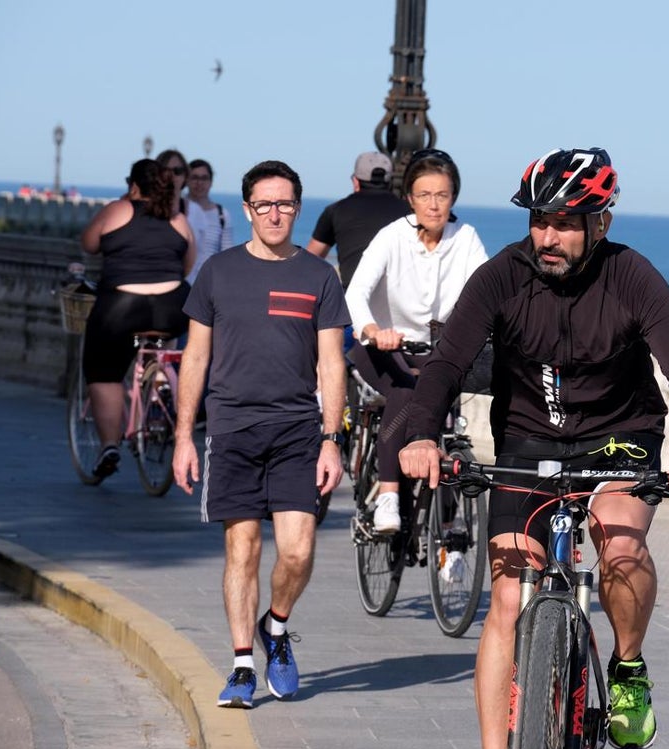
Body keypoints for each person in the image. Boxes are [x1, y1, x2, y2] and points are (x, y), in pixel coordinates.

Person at [398, 147, 669, 749]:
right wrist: (420, 434)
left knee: (620, 546)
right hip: (528, 440)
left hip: (619, 435)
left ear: (600, 223)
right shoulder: (502, 277)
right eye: (539, 221)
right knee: (504, 595)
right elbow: (447, 361)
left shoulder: (633, 277)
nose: (547, 236)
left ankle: (630, 668)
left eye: (564, 223)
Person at [171, 160, 348, 709]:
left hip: (298, 430)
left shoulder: (319, 276)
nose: (275, 214)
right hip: (232, 430)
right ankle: (243, 665)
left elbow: (331, 365)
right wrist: (183, 436)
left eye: (286, 204)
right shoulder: (217, 273)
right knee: (242, 548)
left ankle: (277, 626)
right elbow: (195, 356)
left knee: (296, 551)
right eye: (264, 204)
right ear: (247, 209)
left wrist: (331, 438)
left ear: (299, 208)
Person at [345, 148, 487, 533]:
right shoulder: (392, 237)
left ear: (453, 197)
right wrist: (374, 331)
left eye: (442, 195)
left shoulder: (467, 239)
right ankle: (389, 493)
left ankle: (449, 531)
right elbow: (356, 293)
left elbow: (487, 295)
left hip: (439, 355)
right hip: (384, 350)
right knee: (408, 393)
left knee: (446, 423)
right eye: (424, 195)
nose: (434, 205)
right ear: (409, 197)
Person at [79, 158, 195, 480]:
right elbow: (188, 264)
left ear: (133, 185)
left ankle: (109, 446)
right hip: (173, 307)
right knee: (154, 341)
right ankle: (160, 380)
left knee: (105, 372)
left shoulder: (118, 209)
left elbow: (88, 244)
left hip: (122, 309)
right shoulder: (177, 218)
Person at [306, 151, 410, 288]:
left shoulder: (336, 211)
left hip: (352, 297)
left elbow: (310, 260)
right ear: (390, 181)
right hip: (397, 297)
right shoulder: (408, 211)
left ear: (355, 181)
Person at [183, 158, 233, 283]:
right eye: (194, 178)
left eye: (204, 178)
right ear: (186, 181)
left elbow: (227, 255)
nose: (199, 183)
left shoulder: (222, 214)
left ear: (211, 182)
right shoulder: (178, 211)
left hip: (208, 283)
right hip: (181, 282)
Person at [156, 149, 189, 216]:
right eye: (165, 170)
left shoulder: (195, 212)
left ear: (185, 176)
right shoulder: (143, 209)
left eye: (177, 171)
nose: (172, 175)